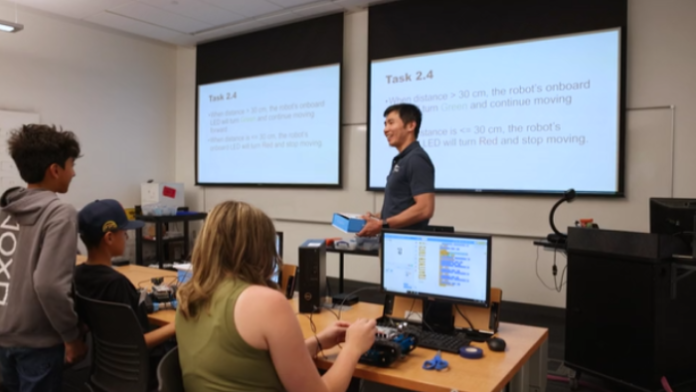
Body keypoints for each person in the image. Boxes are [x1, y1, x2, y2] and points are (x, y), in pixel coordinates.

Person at [176, 201, 377, 392]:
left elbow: (252, 363)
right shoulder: (264, 302)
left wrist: (318, 342)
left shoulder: (189, 295)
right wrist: (353, 348)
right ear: (260, 248)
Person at [0, 124, 87, 391]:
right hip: (38, 345)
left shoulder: (6, 209)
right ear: (55, 169)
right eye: (71, 165)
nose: (73, 173)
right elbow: (49, 285)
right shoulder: (60, 213)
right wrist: (71, 336)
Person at [74, 199, 176, 386]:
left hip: (104, 371)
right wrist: (177, 324)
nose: (127, 237)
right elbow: (139, 343)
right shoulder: (117, 284)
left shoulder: (78, 275)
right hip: (142, 372)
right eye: (125, 233)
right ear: (110, 238)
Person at [359, 104, 435, 237]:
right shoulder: (403, 159)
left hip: (406, 245)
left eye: (391, 123)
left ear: (411, 126)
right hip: (391, 242)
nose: (385, 129)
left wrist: (382, 224)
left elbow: (425, 209)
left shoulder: (416, 159)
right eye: (385, 124)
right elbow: (400, 206)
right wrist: (377, 218)